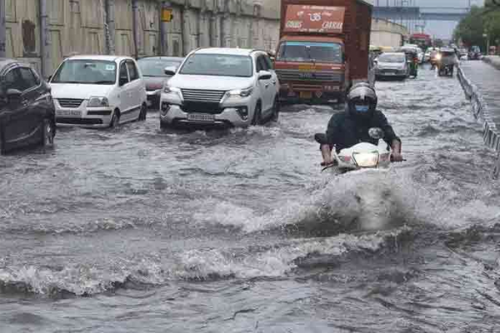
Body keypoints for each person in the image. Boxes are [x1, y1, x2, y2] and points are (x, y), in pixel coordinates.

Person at [315, 83, 403, 166]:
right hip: (345, 162)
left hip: (373, 161)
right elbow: (327, 142)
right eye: (358, 103)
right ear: (350, 103)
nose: (362, 106)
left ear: (372, 104)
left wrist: (396, 153)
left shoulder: (378, 117)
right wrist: (327, 158)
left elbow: (393, 138)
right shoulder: (338, 118)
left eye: (365, 104)